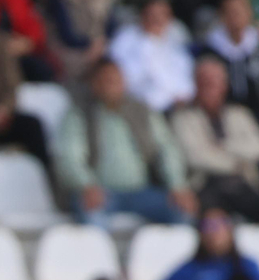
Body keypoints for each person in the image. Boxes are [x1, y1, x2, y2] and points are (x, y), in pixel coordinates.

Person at [57, 59, 195, 229]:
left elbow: (166, 148)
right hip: (99, 193)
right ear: (94, 84)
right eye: (106, 80)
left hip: (143, 192)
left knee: (182, 211)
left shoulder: (143, 111)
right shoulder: (79, 113)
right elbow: (69, 156)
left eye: (116, 80)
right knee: (92, 217)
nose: (112, 85)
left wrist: (177, 185)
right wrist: (86, 185)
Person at [170, 55, 259, 226]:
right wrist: (236, 164)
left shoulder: (240, 114)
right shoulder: (183, 117)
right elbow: (195, 157)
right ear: (195, 84)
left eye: (215, 81)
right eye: (204, 81)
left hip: (245, 184)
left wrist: (223, 146)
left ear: (225, 85)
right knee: (212, 221)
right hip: (205, 186)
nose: (210, 86)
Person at [107, 0, 194, 113]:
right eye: (152, 14)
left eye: (162, 14)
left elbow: (187, 84)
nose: (157, 19)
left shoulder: (175, 41)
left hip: (174, 110)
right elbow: (117, 76)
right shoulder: (125, 38)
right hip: (136, 107)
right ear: (142, 15)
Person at [203, 0, 259, 112]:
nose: (237, 16)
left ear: (249, 13)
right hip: (227, 112)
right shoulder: (211, 51)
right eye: (232, 11)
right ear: (222, 16)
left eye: (241, 10)